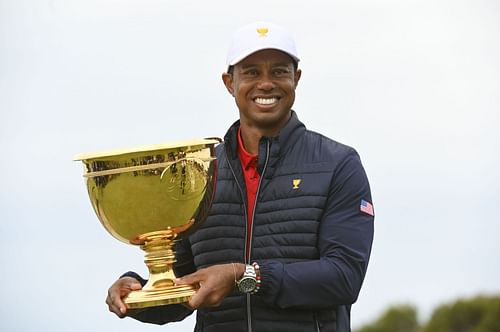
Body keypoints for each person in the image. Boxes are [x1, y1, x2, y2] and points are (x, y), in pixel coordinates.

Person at [106, 21, 375, 332]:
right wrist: (137, 292)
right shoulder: (198, 173)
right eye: (251, 72)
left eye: (279, 71)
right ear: (228, 82)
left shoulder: (338, 164)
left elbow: (344, 278)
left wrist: (246, 275)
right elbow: (181, 288)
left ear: (296, 79)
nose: (266, 84)